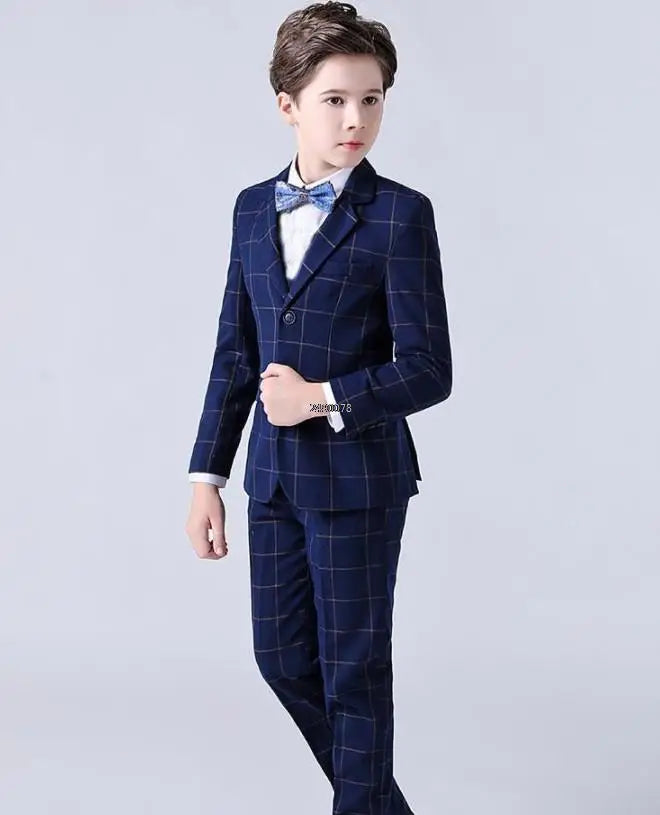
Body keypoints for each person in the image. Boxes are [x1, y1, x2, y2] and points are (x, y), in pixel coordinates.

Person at [185, 3, 452, 813]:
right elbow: (235, 352)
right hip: (271, 482)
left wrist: (323, 397)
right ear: (288, 104)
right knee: (282, 659)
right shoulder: (249, 208)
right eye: (335, 99)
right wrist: (206, 476)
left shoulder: (400, 214)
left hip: (358, 481)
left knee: (355, 673)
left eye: (371, 99)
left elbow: (429, 370)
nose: (356, 119)